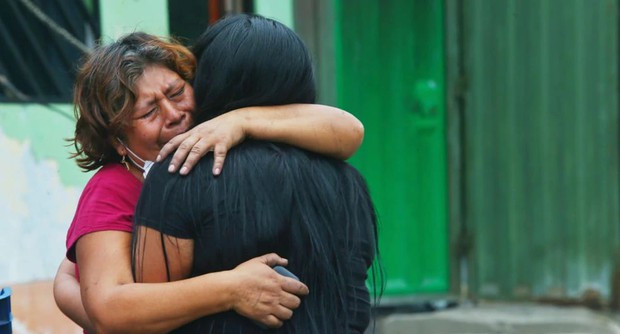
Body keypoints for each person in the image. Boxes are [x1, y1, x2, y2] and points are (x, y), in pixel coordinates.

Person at [53, 31, 366, 333]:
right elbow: (108, 307)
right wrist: (231, 287)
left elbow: (348, 130)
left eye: (177, 93)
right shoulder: (112, 189)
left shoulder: (219, 143)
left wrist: (240, 121)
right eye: (149, 112)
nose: (174, 113)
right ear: (119, 141)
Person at [133, 14, 380, 333]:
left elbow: (148, 315)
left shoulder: (181, 170)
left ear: (211, 80)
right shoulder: (349, 181)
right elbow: (354, 305)